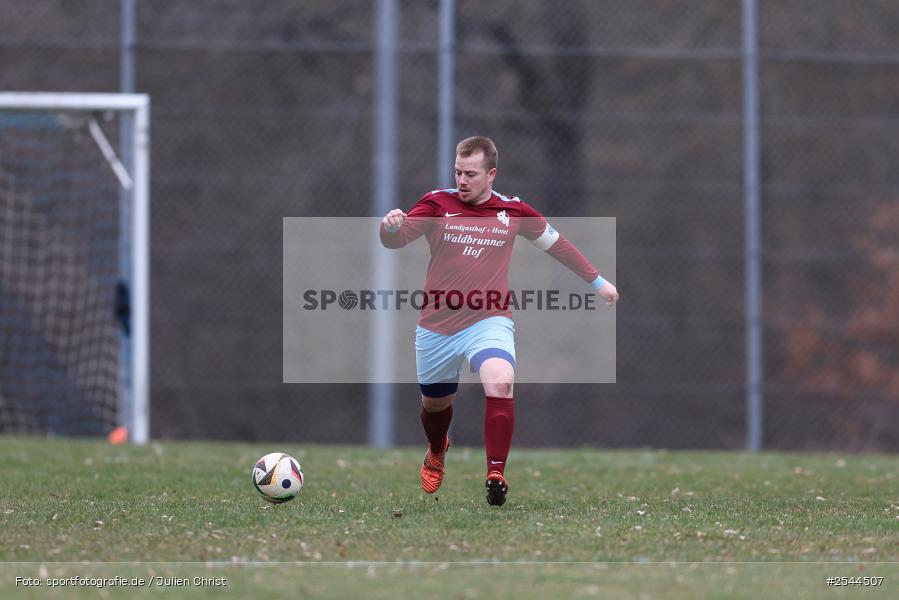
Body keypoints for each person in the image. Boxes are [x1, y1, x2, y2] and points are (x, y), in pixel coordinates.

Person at [380, 136, 618, 506]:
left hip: (488, 320)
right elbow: (395, 241)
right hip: (436, 327)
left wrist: (598, 282)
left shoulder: (514, 212)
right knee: (434, 408)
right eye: (458, 172)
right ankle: (438, 448)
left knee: (501, 382)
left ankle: (495, 472)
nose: (462, 180)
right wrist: (391, 226)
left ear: (492, 174)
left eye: (471, 174)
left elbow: (557, 244)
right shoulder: (436, 203)